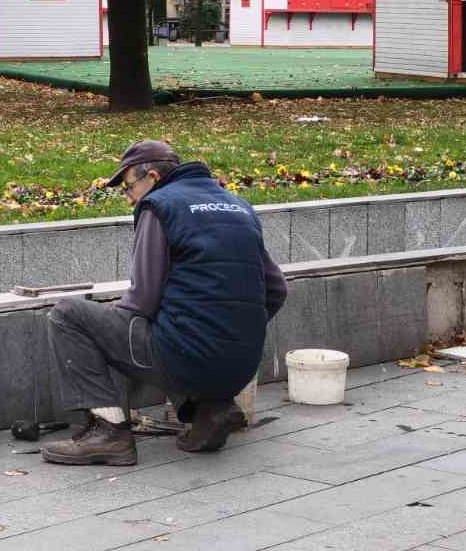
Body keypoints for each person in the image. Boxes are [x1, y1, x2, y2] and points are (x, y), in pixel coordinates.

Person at [40, 141, 287, 466]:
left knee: (68, 314)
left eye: (128, 187)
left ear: (152, 177)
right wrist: (230, 328)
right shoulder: (238, 205)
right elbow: (276, 289)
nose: (128, 197)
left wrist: (111, 320)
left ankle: (109, 432)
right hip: (242, 367)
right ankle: (210, 412)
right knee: (184, 327)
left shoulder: (158, 205)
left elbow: (141, 300)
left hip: (186, 359)